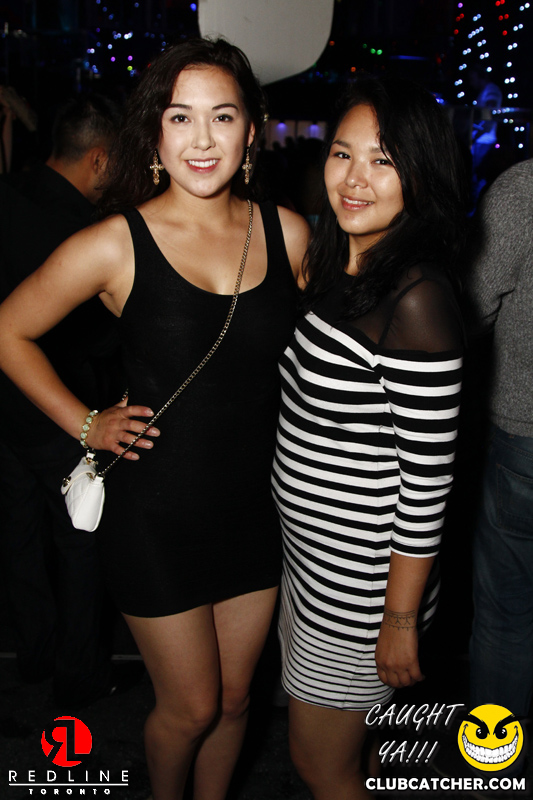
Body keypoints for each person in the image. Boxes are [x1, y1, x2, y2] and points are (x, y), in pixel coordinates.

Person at [0, 38, 309, 800]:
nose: (202, 138)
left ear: (250, 133)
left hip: (256, 510)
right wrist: (84, 423)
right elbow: (8, 331)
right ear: (155, 135)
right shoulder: (115, 242)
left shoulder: (289, 234)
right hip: (154, 519)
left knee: (235, 701)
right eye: (180, 117)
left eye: (222, 116)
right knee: (191, 706)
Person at [272, 75, 466, 799]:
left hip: (362, 592)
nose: (354, 179)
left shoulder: (415, 298)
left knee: (321, 766)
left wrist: (398, 620)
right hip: (314, 569)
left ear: (421, 173)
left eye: (382, 161)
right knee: (352, 759)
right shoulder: (338, 264)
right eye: (342, 153)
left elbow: (427, 485)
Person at [0, 93, 124, 706]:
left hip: (3, 410)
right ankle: (78, 675)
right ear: (99, 159)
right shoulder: (87, 233)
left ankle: (34, 655)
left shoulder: (6, 194)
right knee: (82, 542)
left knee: (18, 538)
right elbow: (103, 339)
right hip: (59, 410)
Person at [467, 158, 533, 720]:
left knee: (507, 617)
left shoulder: (525, 188)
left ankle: (495, 761)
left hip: (525, 437)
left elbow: (470, 307)